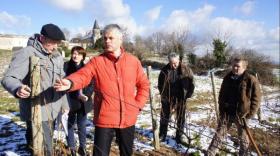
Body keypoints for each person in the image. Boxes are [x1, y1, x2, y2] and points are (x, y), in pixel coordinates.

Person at [54, 24, 150, 156]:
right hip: (105, 118)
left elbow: (144, 85)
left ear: (120, 39)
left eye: (111, 38)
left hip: (128, 117)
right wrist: (70, 82)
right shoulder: (97, 61)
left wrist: (137, 105)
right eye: (105, 38)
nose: (107, 41)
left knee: (126, 153)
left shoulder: (133, 61)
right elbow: (83, 75)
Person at [1, 23, 69, 155]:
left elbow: (61, 82)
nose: (55, 47)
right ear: (42, 38)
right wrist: (17, 88)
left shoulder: (57, 56)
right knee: (45, 149)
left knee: (46, 143)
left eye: (57, 43)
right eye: (52, 43)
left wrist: (64, 104)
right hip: (37, 111)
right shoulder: (27, 53)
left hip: (54, 110)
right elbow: (8, 78)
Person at [207, 56, 261, 156]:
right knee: (219, 135)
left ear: (244, 67)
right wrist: (222, 107)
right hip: (227, 112)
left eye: (237, 66)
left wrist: (249, 114)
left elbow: (256, 99)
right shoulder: (227, 78)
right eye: (233, 65)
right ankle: (210, 153)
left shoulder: (251, 80)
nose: (234, 68)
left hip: (242, 115)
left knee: (243, 138)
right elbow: (221, 94)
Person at [158, 52, 195, 144]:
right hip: (167, 97)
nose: (173, 65)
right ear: (169, 61)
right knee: (164, 116)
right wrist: (163, 94)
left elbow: (192, 83)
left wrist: (188, 95)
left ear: (179, 61)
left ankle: (179, 136)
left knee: (181, 117)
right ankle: (162, 134)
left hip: (181, 98)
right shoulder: (164, 70)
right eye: (171, 63)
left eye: (175, 63)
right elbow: (160, 84)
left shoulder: (186, 70)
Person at [64, 46, 94, 156]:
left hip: (83, 102)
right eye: (74, 53)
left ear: (83, 56)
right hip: (70, 100)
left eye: (79, 54)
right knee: (70, 124)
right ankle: (71, 147)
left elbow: (91, 84)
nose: (75, 56)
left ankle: (82, 147)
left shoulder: (87, 68)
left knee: (82, 125)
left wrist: (86, 95)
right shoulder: (66, 66)